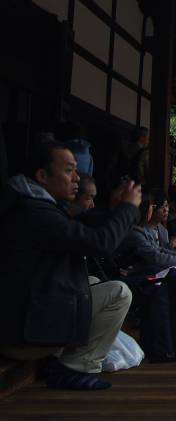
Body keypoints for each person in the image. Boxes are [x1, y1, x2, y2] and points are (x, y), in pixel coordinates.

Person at [0, 140, 141, 390]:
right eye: (69, 170)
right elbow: (100, 243)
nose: (77, 178)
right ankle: (74, 366)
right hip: (22, 335)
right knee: (119, 293)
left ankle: (62, 359)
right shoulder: (34, 213)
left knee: (95, 283)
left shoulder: (30, 204)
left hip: (25, 319)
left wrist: (117, 210)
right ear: (42, 175)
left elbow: (84, 225)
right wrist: (128, 209)